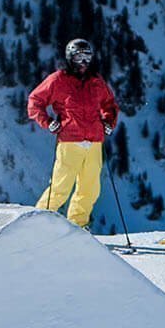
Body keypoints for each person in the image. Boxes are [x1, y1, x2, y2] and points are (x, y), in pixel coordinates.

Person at [27, 38, 119, 230]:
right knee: (60, 188)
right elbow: (35, 101)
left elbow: (109, 104)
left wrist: (108, 122)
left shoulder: (96, 81)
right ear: (70, 57)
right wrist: (48, 122)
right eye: (79, 57)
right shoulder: (59, 80)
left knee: (90, 190)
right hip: (70, 141)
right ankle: (35, 226)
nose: (83, 62)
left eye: (87, 57)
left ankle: (78, 226)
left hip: (94, 141)